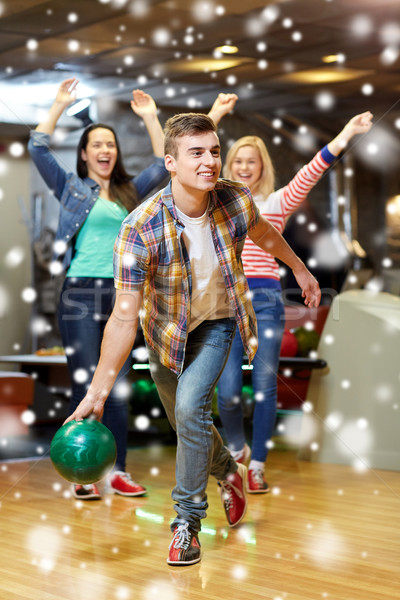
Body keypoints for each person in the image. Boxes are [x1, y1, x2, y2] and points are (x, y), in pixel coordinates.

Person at [66, 111, 320, 565]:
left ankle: (186, 523)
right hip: (165, 334)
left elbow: (264, 233)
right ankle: (228, 471)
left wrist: (299, 269)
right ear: (170, 162)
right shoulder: (139, 228)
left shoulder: (233, 199)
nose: (209, 162)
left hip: (219, 323)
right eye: (196, 153)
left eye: (214, 151)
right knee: (188, 422)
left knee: (189, 409)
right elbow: (123, 319)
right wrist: (98, 391)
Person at [209, 94, 373, 493]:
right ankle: (238, 449)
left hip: (265, 299)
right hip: (226, 301)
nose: (245, 167)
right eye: (238, 161)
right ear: (228, 167)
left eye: (252, 160)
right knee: (227, 392)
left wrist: (347, 133)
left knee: (264, 388)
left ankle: (259, 465)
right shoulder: (217, 204)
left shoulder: (276, 202)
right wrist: (213, 117)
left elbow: (313, 170)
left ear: (262, 167)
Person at [28, 77, 168, 501]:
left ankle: (117, 470)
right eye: (97, 145)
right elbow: (37, 148)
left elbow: (164, 164)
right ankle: (83, 472)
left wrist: (150, 117)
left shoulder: (129, 192)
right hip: (78, 293)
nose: (105, 150)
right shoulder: (70, 188)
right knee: (86, 383)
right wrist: (58, 105)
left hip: (123, 295)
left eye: (110, 144)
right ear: (85, 154)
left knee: (119, 385)